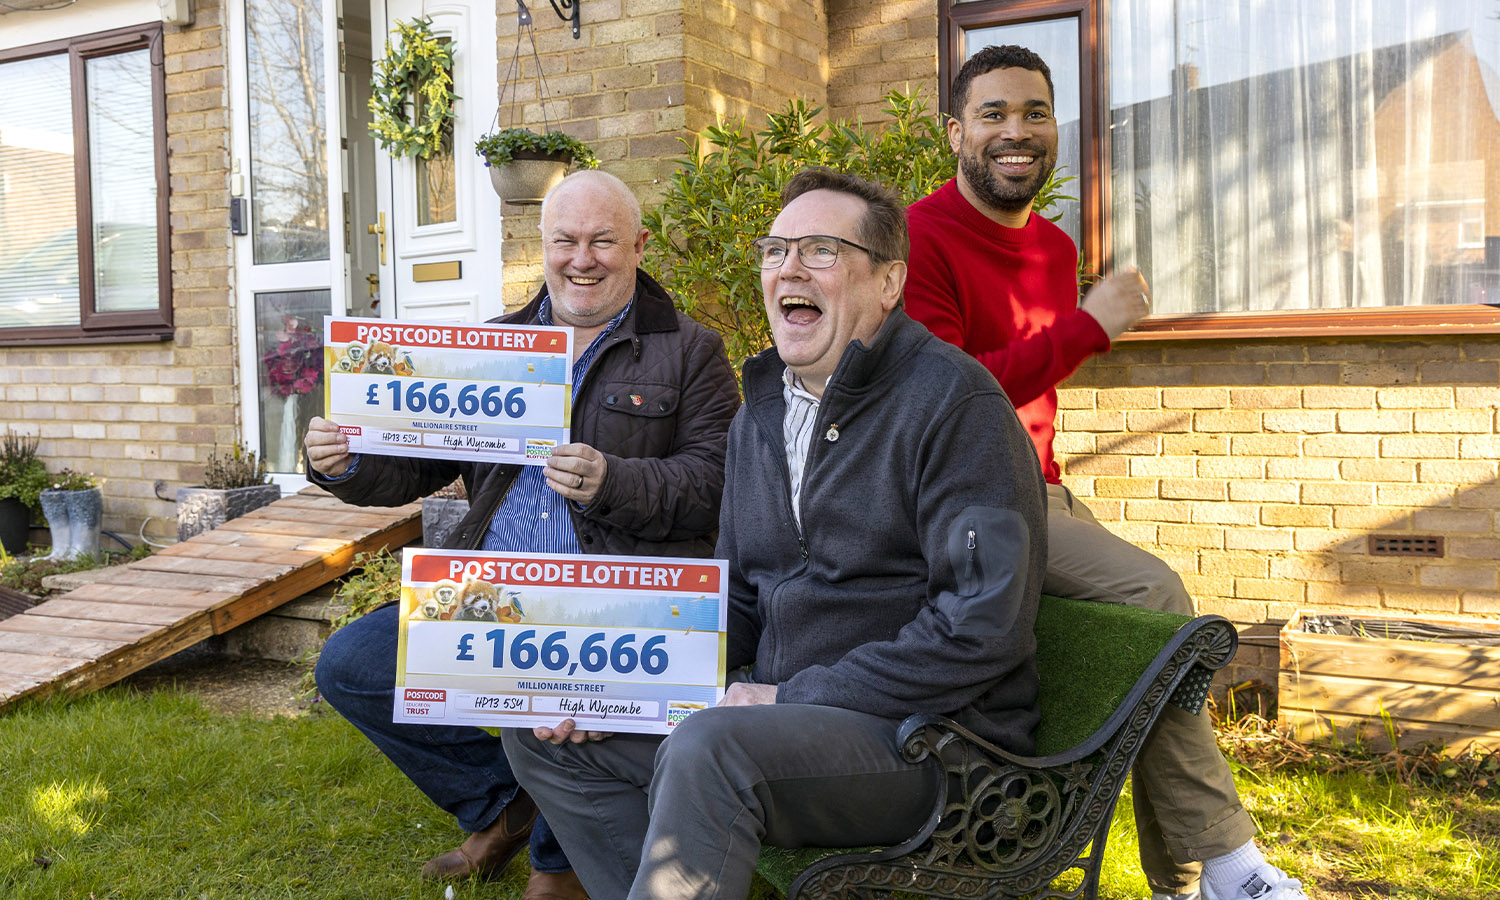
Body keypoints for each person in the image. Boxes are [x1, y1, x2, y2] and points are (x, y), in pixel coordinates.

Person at [501, 167, 1047, 900]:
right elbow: (738, 601)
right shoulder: (760, 414)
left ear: (888, 283)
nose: (788, 267)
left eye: (820, 249)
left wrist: (787, 695)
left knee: (710, 747)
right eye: (775, 249)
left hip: (935, 743)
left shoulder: (955, 406)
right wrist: (615, 692)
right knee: (548, 736)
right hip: (777, 721)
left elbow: (982, 628)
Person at [904, 45, 1307, 900]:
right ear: (954, 133)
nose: (1017, 131)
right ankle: (1225, 865)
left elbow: (1032, 381)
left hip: (1036, 489)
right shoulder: (917, 236)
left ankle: (1191, 877)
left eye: (1036, 113)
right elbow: (953, 397)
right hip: (960, 497)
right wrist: (1089, 326)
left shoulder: (1051, 248)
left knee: (1151, 642)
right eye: (994, 113)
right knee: (1158, 597)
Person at [302, 170, 740, 900]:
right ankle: (505, 806)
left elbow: (718, 485)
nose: (582, 258)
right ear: (542, 245)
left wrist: (614, 481)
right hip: (490, 590)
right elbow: (407, 463)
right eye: (565, 240)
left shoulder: (690, 350)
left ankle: (557, 857)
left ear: (638, 244)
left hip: (611, 600)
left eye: (602, 240)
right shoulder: (499, 346)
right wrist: (342, 463)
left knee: (549, 701)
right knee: (351, 664)